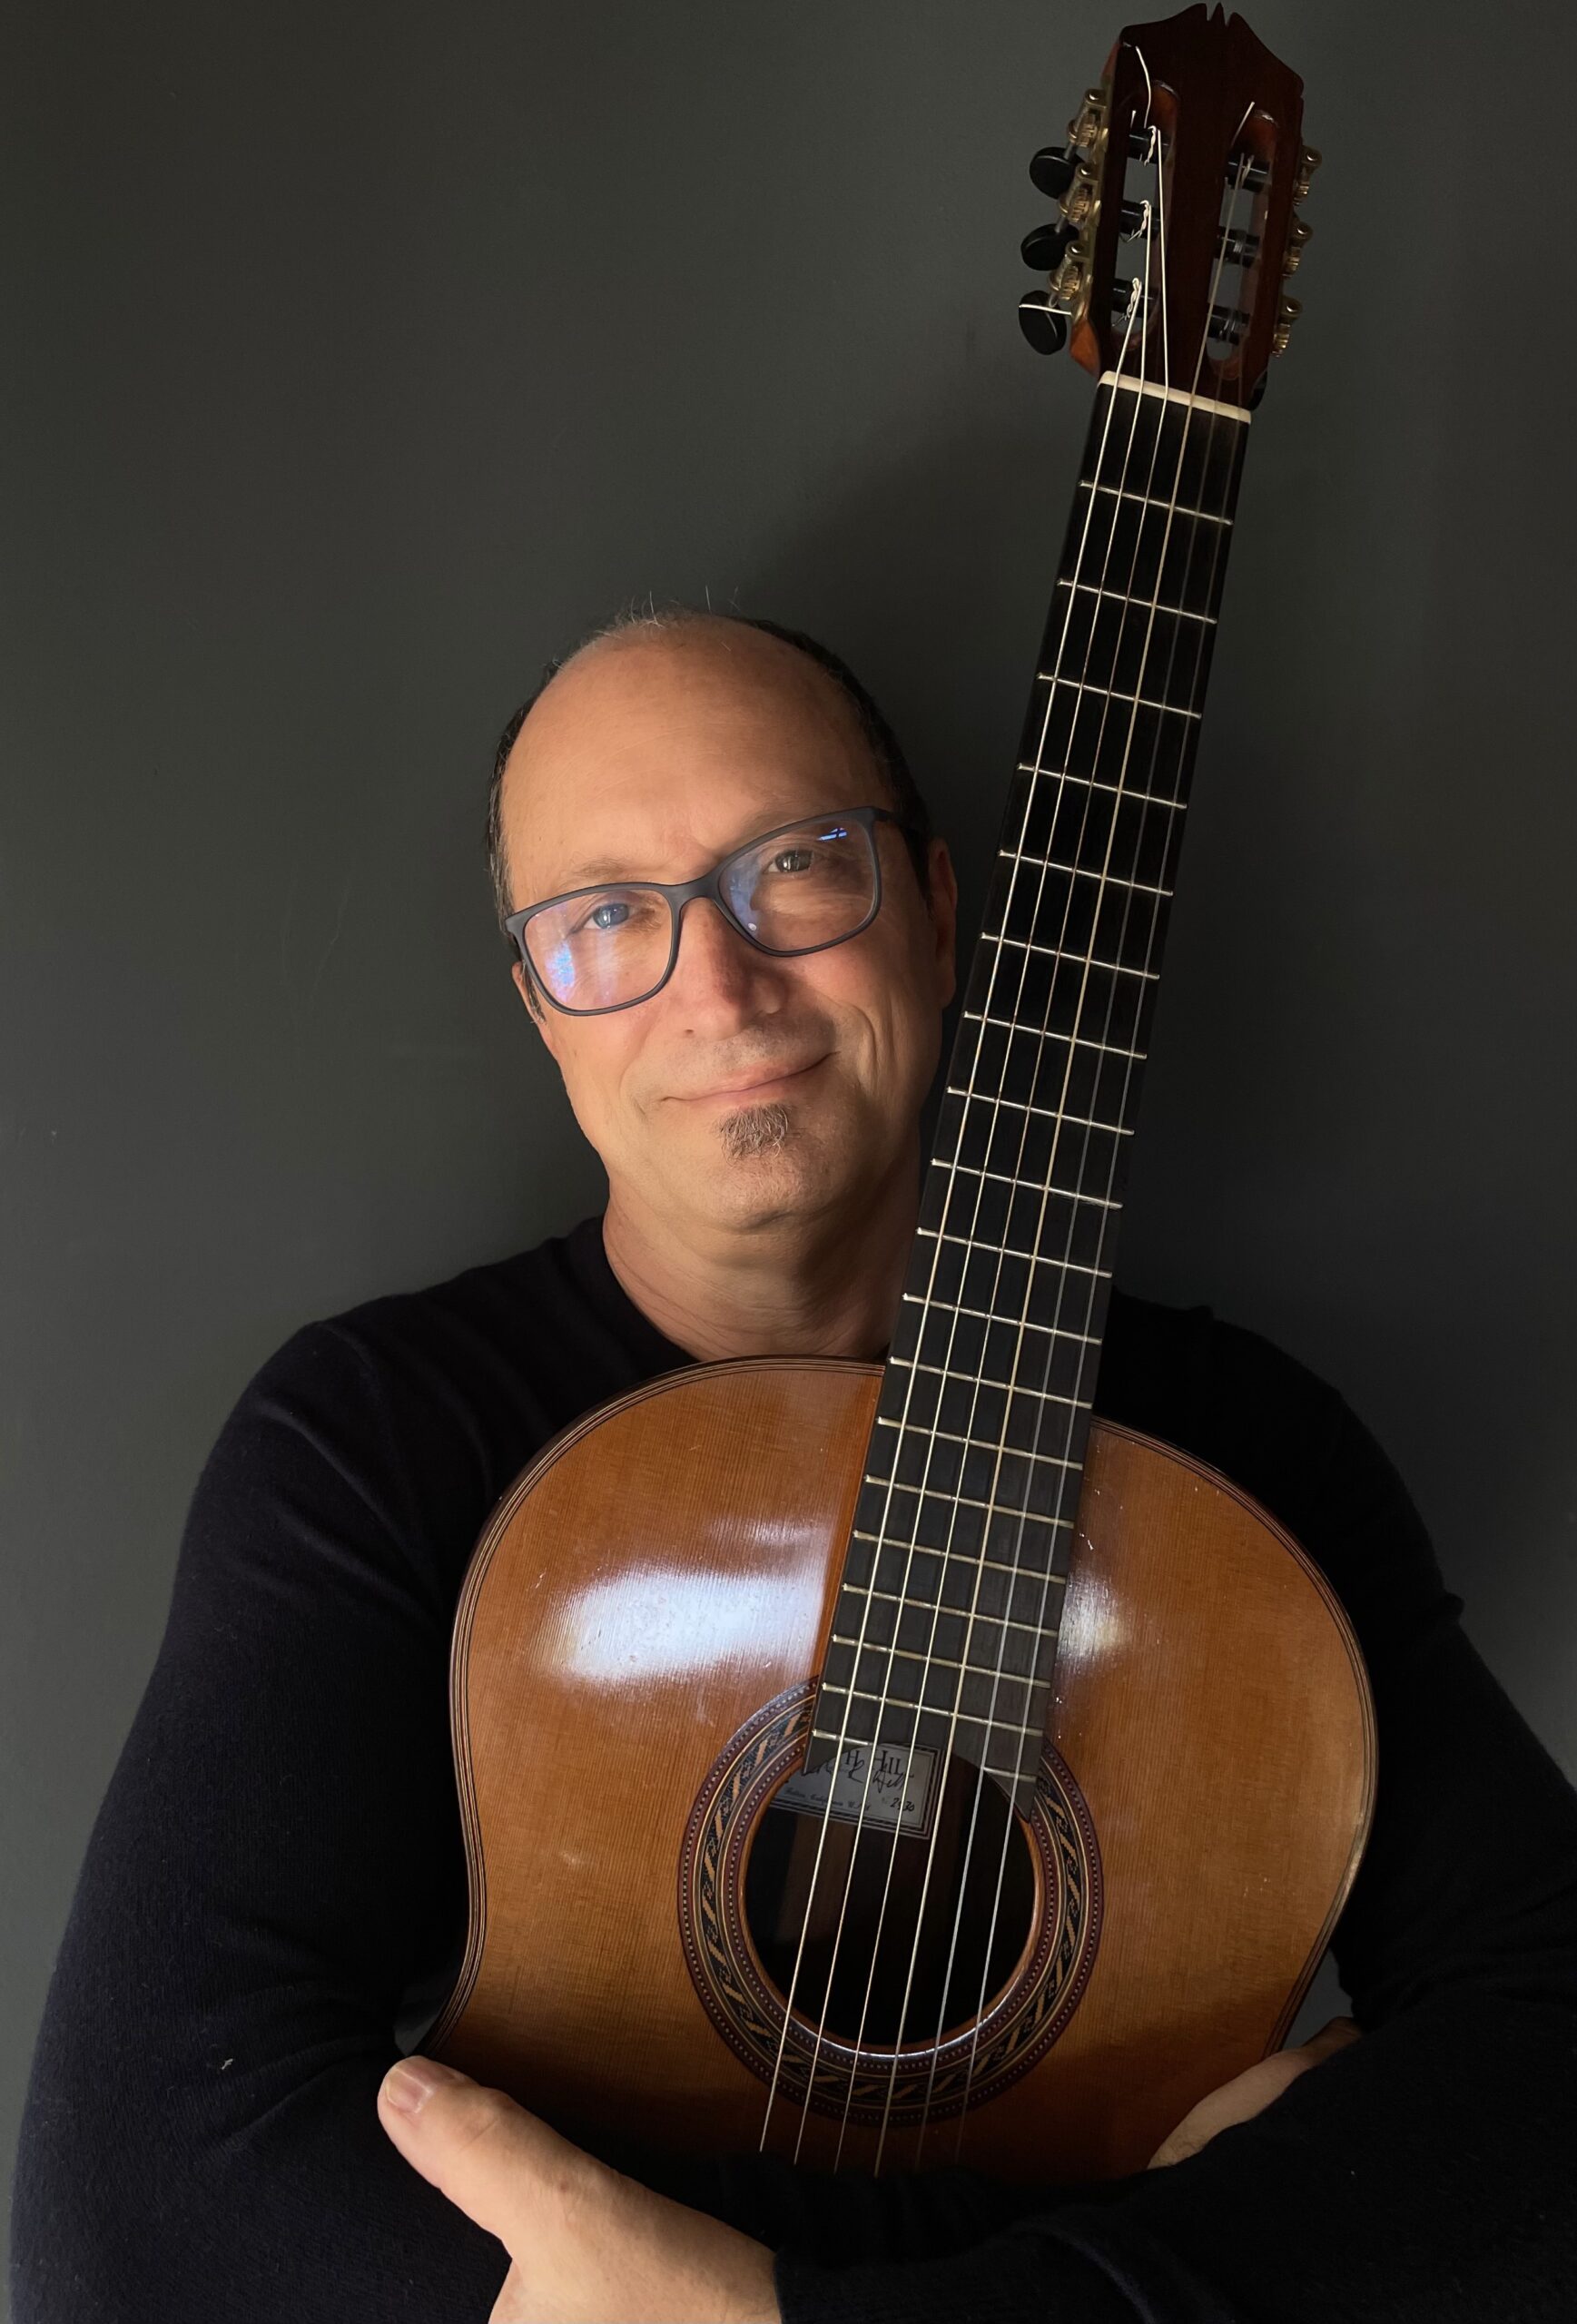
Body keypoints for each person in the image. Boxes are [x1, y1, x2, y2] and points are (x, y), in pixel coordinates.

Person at [11, 611, 1577, 2323]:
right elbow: (132, 2205)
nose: (722, 989)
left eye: (797, 865)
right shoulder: (379, 1438)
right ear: (540, 1005)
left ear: (940, 912)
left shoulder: (1248, 1459)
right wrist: (1143, 2248)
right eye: (609, 918)